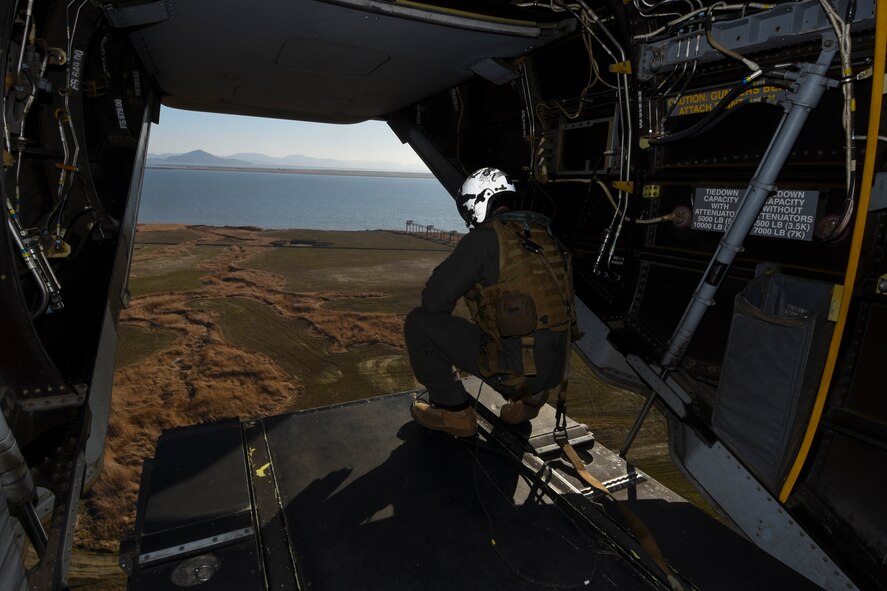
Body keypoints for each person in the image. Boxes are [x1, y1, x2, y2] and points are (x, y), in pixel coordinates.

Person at [404, 167, 577, 437]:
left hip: (518, 370)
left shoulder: (485, 239)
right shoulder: (546, 236)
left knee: (419, 323)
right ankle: (528, 401)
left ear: (478, 201)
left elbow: (434, 301)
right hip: (555, 368)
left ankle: (454, 412)